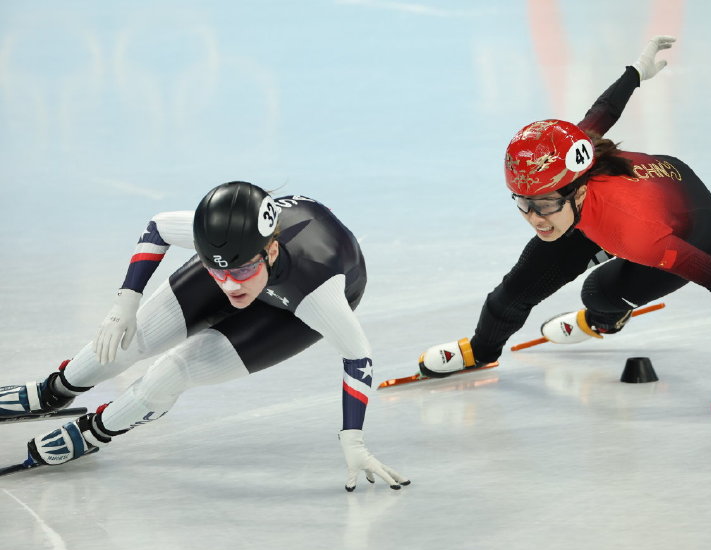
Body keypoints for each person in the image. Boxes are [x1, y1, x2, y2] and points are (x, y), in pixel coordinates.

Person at [418, 36, 711, 415]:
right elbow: (604, 110)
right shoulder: (569, 160)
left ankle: (605, 321)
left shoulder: (639, 235)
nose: (535, 219)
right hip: (613, 207)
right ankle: (481, 351)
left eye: (543, 206)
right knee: (516, 288)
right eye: (523, 204)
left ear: (576, 189)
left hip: (692, 229)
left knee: (598, 293)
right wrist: (636, 72)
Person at [0, 181, 408, 490]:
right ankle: (55, 389)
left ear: (270, 251)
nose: (230, 286)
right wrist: (125, 303)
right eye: (218, 271)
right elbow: (158, 227)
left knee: (171, 373)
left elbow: (358, 356)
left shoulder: (318, 292)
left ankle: (96, 431)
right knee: (126, 341)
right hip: (253, 263)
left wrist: (352, 438)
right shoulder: (228, 250)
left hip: (291, 308)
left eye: (241, 271)